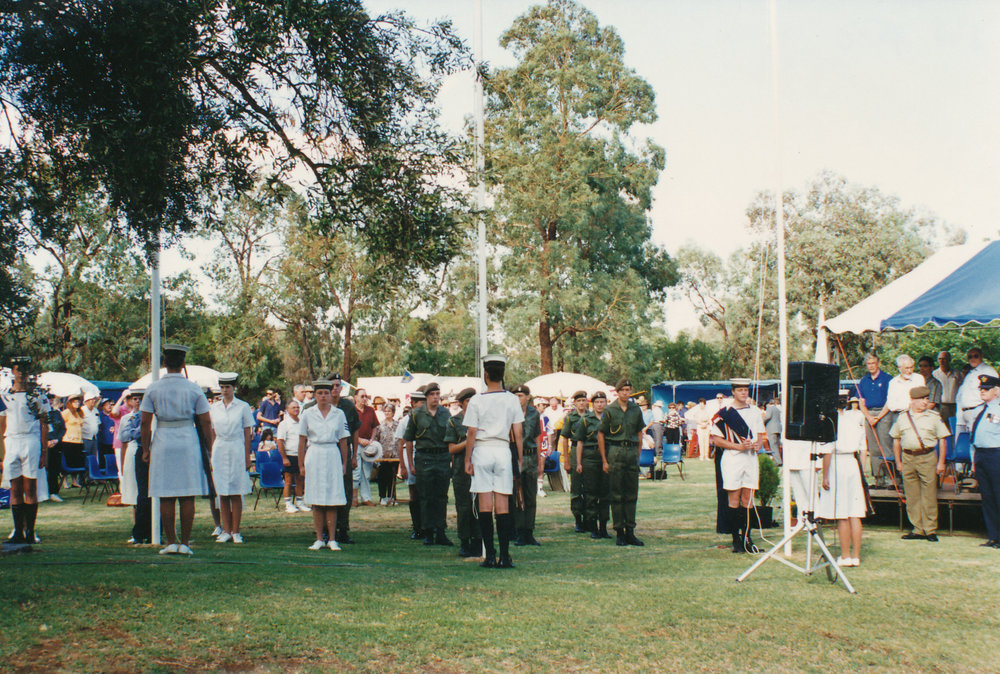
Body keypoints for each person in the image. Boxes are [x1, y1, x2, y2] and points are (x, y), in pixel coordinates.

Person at [140, 344, 214, 556]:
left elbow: (145, 422)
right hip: (187, 439)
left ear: (164, 363)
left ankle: (171, 541)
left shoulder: (153, 388)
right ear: (183, 364)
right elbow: (206, 421)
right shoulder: (194, 389)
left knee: (166, 494)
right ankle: (186, 542)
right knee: (187, 494)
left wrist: (146, 449)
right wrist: (209, 447)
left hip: (163, 439)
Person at [464, 354, 524, 569]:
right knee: (502, 504)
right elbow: (518, 432)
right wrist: (519, 458)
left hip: (482, 449)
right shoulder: (512, 399)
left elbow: (471, 432)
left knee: (485, 504)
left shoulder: (476, 400)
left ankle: (490, 555)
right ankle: (505, 556)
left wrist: (467, 458)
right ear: (503, 374)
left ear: (486, 374)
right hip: (502, 450)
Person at [710, 378, 766, 554]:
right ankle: (736, 540)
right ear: (733, 392)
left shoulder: (755, 411)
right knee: (734, 499)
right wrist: (738, 446)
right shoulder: (725, 413)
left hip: (750, 458)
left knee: (748, 499)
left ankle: (747, 539)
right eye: (740, 390)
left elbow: (760, 436)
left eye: (745, 390)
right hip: (733, 458)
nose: (743, 393)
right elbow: (717, 440)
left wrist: (757, 445)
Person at [890, 386, 950, 542]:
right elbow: (896, 440)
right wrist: (898, 462)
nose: (926, 402)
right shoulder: (902, 417)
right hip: (908, 458)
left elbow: (943, 440)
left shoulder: (933, 417)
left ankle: (930, 529)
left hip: (927, 457)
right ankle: (917, 529)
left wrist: (941, 462)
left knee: (929, 494)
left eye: (927, 398)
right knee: (912, 495)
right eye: (922, 399)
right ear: (913, 400)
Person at [1, 356, 50, 546]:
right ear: (13, 371)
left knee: (30, 487)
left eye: (25, 369)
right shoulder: (4, 395)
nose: (21, 373)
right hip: (11, 440)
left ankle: (30, 531)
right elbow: (1, 424)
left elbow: (44, 423)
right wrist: (1, 454)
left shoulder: (37, 395)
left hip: (30, 440)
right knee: (15, 488)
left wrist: (44, 451)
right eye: (18, 369)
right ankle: (18, 532)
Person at [298, 378, 351, 551]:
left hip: (332, 454)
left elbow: (343, 441)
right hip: (314, 454)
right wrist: (301, 465)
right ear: (314, 395)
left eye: (326, 393)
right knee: (317, 499)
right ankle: (319, 538)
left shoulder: (339, 414)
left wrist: (344, 463)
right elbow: (301, 441)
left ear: (330, 394)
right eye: (319, 393)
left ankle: (332, 539)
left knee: (332, 498)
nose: (323, 396)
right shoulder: (307, 413)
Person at [817, 394, 870, 567]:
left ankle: (846, 556)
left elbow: (827, 451)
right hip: (853, 464)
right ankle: (855, 556)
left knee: (842, 514)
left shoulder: (830, 422)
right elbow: (863, 449)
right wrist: (861, 471)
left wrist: (825, 476)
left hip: (837, 464)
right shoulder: (856, 419)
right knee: (855, 512)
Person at [598, 378, 645, 546]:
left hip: (631, 452)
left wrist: (638, 455)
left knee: (631, 493)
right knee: (617, 494)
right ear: (617, 392)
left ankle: (630, 531)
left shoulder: (635, 409)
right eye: (622, 390)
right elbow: (601, 434)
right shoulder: (610, 410)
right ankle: (619, 532)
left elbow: (639, 433)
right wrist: (604, 460)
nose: (625, 393)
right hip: (615, 451)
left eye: (628, 390)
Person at [405, 381, 453, 546]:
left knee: (441, 496)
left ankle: (440, 531)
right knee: (425, 496)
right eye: (432, 394)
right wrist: (410, 465)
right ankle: (427, 532)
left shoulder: (446, 413)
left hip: (442, 457)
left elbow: (451, 438)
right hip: (424, 458)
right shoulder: (416, 414)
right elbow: (408, 440)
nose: (435, 397)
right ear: (426, 397)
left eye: (437, 394)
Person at [209, 373, 254, 544]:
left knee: (235, 491)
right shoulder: (214, 408)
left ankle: (236, 531)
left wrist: (247, 456)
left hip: (236, 448)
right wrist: (211, 454)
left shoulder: (243, 406)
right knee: (222, 492)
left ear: (234, 388)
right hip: (220, 448)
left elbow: (247, 432)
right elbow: (212, 432)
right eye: (222, 387)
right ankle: (226, 530)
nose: (224, 390)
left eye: (227, 387)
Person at [965, 374, 1000, 548]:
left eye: (986, 389)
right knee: (987, 497)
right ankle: (993, 536)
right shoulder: (979, 410)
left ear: (997, 391)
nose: (983, 392)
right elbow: (974, 437)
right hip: (980, 455)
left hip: (996, 454)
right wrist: (973, 460)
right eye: (981, 389)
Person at [445, 388, 479, 557]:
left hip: (479, 466)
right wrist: (469, 440)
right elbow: (451, 448)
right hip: (461, 469)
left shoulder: (481, 419)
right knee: (464, 506)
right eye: (467, 401)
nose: (471, 404)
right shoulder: (454, 422)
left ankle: (478, 540)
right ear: (461, 403)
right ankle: (464, 541)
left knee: (479, 505)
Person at [575, 391, 612, 539]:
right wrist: (578, 462)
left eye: (602, 402)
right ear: (593, 404)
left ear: (606, 403)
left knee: (605, 493)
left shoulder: (610, 419)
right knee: (591, 493)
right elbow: (580, 442)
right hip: (590, 458)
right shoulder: (586, 420)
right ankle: (593, 527)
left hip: (606, 457)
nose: (600, 405)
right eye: (597, 402)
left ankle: (603, 526)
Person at [117, 387, 151, 545]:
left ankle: (149, 530)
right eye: (135, 399)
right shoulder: (127, 418)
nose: (138, 402)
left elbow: (138, 433)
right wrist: (122, 464)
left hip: (144, 451)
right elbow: (124, 438)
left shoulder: (149, 416)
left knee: (145, 493)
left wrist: (135, 430)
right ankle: (138, 529)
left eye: (140, 399)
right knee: (134, 493)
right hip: (132, 453)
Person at [512, 384, 542, 547]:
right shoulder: (509, 412)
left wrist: (539, 460)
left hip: (530, 456)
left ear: (528, 397)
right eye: (515, 396)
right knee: (517, 495)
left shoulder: (533, 413)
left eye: (521, 396)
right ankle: (518, 531)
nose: (518, 399)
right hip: (515, 456)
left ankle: (529, 531)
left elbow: (537, 437)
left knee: (530, 495)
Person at [857, 353, 894, 483]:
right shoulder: (864, 380)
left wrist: (878, 417)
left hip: (883, 413)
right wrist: (869, 417)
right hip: (869, 414)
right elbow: (861, 402)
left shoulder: (887, 378)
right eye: (868, 364)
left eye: (873, 363)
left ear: (878, 363)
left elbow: (890, 401)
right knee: (873, 448)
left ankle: (891, 478)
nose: (871, 366)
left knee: (886, 445)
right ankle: (878, 478)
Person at [561, 391, 589, 533]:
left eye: (584, 400)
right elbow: (565, 439)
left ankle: (589, 519)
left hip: (589, 452)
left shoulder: (592, 416)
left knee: (589, 487)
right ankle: (578, 519)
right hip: (575, 450)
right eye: (579, 401)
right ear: (575, 403)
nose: (582, 403)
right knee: (576, 487)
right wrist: (566, 460)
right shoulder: (570, 417)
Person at [399, 388, 425, 539]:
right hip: (410, 455)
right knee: (414, 493)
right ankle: (417, 527)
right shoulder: (405, 421)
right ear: (413, 403)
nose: (423, 405)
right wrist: (403, 466)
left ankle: (427, 525)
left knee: (426, 492)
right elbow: (400, 444)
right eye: (420, 402)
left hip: (424, 455)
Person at [51, 392, 86, 500]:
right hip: (68, 440)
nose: (77, 403)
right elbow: (61, 424)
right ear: (70, 403)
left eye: (78, 401)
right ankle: (65, 481)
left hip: (78, 440)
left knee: (76, 461)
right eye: (74, 401)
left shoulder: (79, 412)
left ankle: (75, 481)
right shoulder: (66, 412)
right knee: (68, 460)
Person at [277, 399, 308, 513]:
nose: (296, 409)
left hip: (301, 456)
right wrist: (284, 458)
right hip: (289, 455)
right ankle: (288, 503)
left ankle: (300, 502)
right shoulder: (284, 424)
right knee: (289, 480)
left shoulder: (302, 423)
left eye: (297, 407)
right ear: (287, 410)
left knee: (300, 479)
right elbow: (280, 441)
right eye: (293, 407)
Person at [956, 347, 999, 431]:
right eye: (970, 357)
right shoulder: (969, 374)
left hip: (978, 412)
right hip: (963, 415)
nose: (973, 359)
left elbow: (996, 392)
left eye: (976, 356)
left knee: (979, 438)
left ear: (981, 356)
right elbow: (960, 397)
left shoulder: (988, 371)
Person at [353, 388, 380, 507]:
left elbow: (374, 427)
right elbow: (349, 429)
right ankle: (353, 498)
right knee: (356, 472)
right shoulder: (352, 411)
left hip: (368, 446)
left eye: (366, 396)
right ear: (355, 398)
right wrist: (359, 439)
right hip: (355, 445)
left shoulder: (370, 410)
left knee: (367, 473)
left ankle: (366, 498)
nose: (364, 399)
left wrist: (371, 440)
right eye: (362, 396)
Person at [373, 402, 399, 505]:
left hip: (395, 455)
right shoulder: (380, 426)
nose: (387, 413)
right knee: (383, 477)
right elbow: (376, 439)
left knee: (392, 477)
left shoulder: (398, 425)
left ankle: (392, 497)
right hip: (383, 456)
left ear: (393, 413)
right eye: (386, 411)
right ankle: (382, 497)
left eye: (389, 411)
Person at [932, 350, 961, 422]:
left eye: (944, 359)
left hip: (955, 405)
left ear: (949, 360)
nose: (941, 361)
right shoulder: (934, 374)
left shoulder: (957, 373)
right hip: (941, 406)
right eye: (940, 359)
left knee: (954, 425)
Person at [763, 398, 782, 465]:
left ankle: (777, 462)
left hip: (771, 429)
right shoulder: (777, 409)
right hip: (778, 429)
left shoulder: (769, 408)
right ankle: (779, 460)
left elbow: (767, 416)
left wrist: (762, 422)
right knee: (777, 446)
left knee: (773, 446)